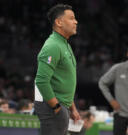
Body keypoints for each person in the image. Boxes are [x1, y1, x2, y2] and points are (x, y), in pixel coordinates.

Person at [34, 4, 80, 135]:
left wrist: (73, 108)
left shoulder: (64, 44)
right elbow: (41, 80)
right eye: (71, 18)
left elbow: (64, 81)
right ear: (59, 22)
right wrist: (56, 107)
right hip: (52, 107)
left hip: (62, 106)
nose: (76, 21)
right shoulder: (52, 45)